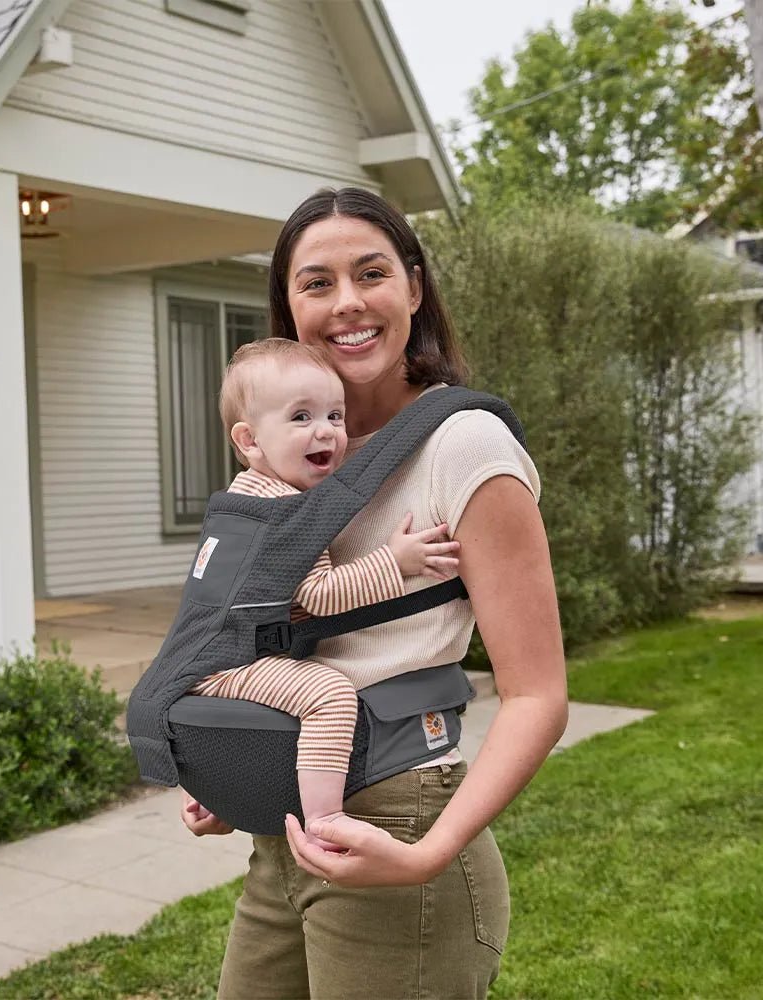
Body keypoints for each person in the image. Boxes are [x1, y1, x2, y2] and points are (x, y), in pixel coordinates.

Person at [180, 187, 568, 1000]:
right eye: (316, 282)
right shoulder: (281, 457)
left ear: (414, 289)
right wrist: (231, 767)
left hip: (402, 822)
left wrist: (430, 853)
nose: (348, 302)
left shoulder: (464, 446)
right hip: (284, 828)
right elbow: (253, 634)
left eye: (371, 272)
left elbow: (537, 694)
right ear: (287, 306)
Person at [187, 337, 461, 850]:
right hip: (233, 662)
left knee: (294, 706)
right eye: (301, 417)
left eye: (336, 416)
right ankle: (326, 821)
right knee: (330, 694)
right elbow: (319, 596)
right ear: (249, 441)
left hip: (211, 657)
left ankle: (224, 784)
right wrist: (395, 563)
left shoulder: (244, 497)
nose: (326, 432)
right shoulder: (289, 513)